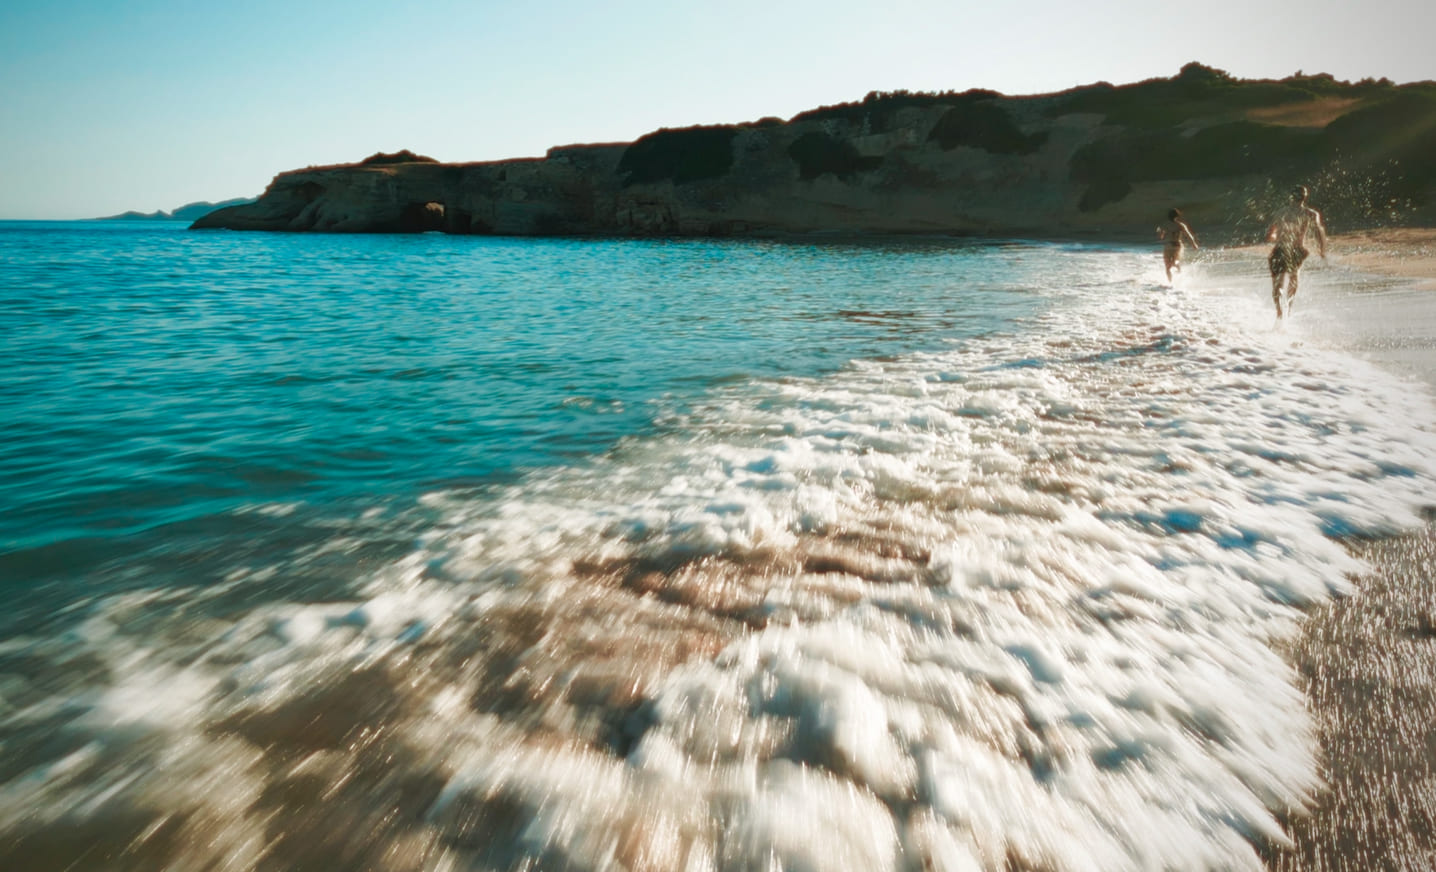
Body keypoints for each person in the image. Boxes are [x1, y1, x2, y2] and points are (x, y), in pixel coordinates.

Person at [1267, 185, 1327, 319]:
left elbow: (1269, 235)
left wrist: (1277, 236)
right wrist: (1322, 250)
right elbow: (1319, 232)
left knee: (1278, 283)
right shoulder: (1310, 214)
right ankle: (1288, 309)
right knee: (1293, 278)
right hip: (1296, 250)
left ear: (1291, 197)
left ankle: (1279, 312)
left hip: (1280, 249)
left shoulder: (1280, 213)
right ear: (1305, 197)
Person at [1157, 208, 1200, 284]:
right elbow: (1188, 235)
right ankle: (1178, 272)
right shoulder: (1181, 225)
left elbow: (1161, 237)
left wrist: (1159, 231)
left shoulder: (1165, 225)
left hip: (1168, 246)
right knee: (1176, 262)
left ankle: (1170, 283)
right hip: (1177, 245)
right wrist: (1194, 244)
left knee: (1167, 267)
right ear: (1177, 216)